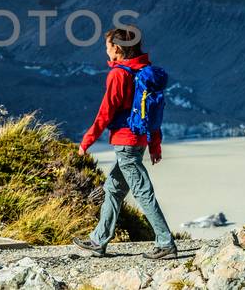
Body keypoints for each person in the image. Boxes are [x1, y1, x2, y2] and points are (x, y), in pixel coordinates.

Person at [73, 24, 178, 260]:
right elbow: (153, 114)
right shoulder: (144, 71)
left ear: (118, 49)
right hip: (138, 141)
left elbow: (105, 113)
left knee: (142, 192)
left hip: (125, 143)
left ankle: (165, 243)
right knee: (113, 189)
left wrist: (86, 141)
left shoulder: (119, 74)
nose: (106, 51)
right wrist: (154, 144)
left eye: (107, 47)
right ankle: (99, 241)